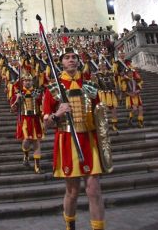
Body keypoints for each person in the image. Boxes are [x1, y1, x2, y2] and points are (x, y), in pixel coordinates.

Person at [43, 47, 110, 230]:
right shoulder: (53, 88)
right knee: (72, 192)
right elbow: (46, 125)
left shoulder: (90, 84)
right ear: (61, 62)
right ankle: (70, 226)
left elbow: (100, 115)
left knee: (94, 190)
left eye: (74, 57)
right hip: (67, 140)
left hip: (89, 139)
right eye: (67, 57)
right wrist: (58, 113)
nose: (71, 60)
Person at [10, 71, 44, 174]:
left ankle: (37, 167)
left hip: (36, 119)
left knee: (36, 142)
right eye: (25, 81)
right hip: (24, 120)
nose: (28, 82)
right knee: (26, 141)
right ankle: (26, 155)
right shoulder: (19, 94)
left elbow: (43, 106)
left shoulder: (37, 92)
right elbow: (12, 109)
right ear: (23, 82)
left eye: (29, 80)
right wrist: (17, 100)